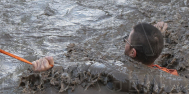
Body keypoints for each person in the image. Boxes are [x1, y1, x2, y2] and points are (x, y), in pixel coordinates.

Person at [31, 21, 177, 75]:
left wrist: (46, 70)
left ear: (133, 52)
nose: (124, 42)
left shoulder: (114, 70)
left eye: (127, 40)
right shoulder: (169, 75)